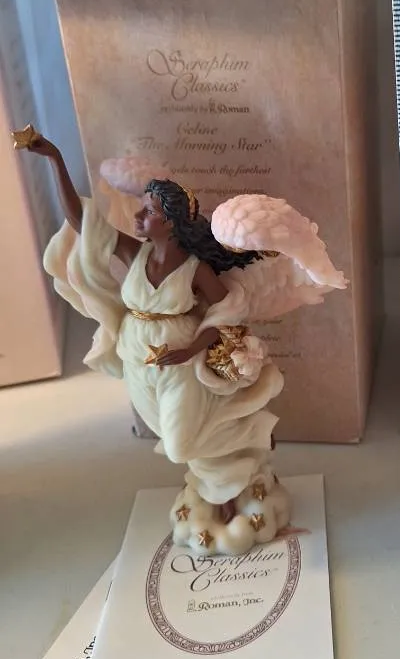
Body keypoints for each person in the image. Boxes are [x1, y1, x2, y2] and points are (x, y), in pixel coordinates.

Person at [20, 133, 290, 552]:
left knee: (180, 443)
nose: (138, 216)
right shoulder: (135, 253)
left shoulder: (196, 270)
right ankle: (222, 490)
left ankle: (248, 442)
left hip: (179, 364)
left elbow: (228, 315)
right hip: (137, 359)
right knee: (167, 432)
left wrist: (190, 350)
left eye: (149, 211)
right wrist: (55, 159)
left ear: (171, 222)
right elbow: (81, 220)